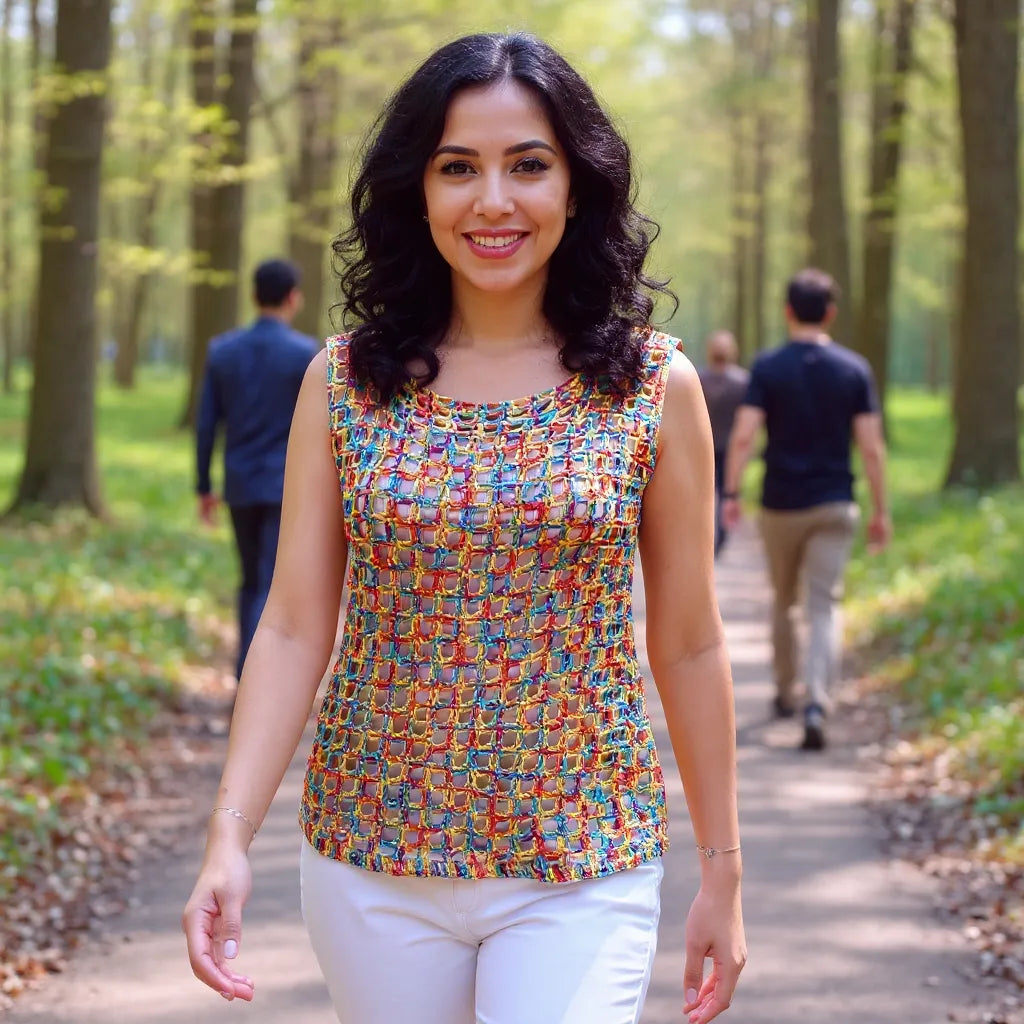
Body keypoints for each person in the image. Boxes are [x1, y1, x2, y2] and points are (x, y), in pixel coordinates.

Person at [183, 33, 745, 1024]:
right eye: (458, 169)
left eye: (528, 165)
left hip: (582, 859)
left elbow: (691, 641)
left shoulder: (654, 387)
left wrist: (722, 870)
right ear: (418, 192)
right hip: (372, 859)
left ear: (577, 186)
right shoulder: (346, 383)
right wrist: (228, 834)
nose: (494, 200)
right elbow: (291, 626)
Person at [721, 268, 891, 751]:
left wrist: (731, 492)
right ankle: (817, 700)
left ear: (788, 311)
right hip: (836, 502)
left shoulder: (769, 367)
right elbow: (873, 448)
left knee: (784, 600)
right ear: (831, 313)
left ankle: (784, 691)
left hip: (781, 504)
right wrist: (881, 510)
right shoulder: (855, 369)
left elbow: (745, 434)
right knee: (825, 605)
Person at [194, 259, 319, 680]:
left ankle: (248, 670)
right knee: (270, 579)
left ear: (254, 296)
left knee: (251, 579)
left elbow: (207, 423)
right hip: (288, 487)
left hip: (240, 483)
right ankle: (257, 676)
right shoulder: (306, 355)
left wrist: (203, 486)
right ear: (293, 298)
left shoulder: (222, 351)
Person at [697, 330, 749, 558]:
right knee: (723, 494)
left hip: (711, 446)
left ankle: (713, 536)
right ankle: (718, 535)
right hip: (722, 446)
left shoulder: (699, 378)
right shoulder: (743, 380)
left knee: (709, 494)